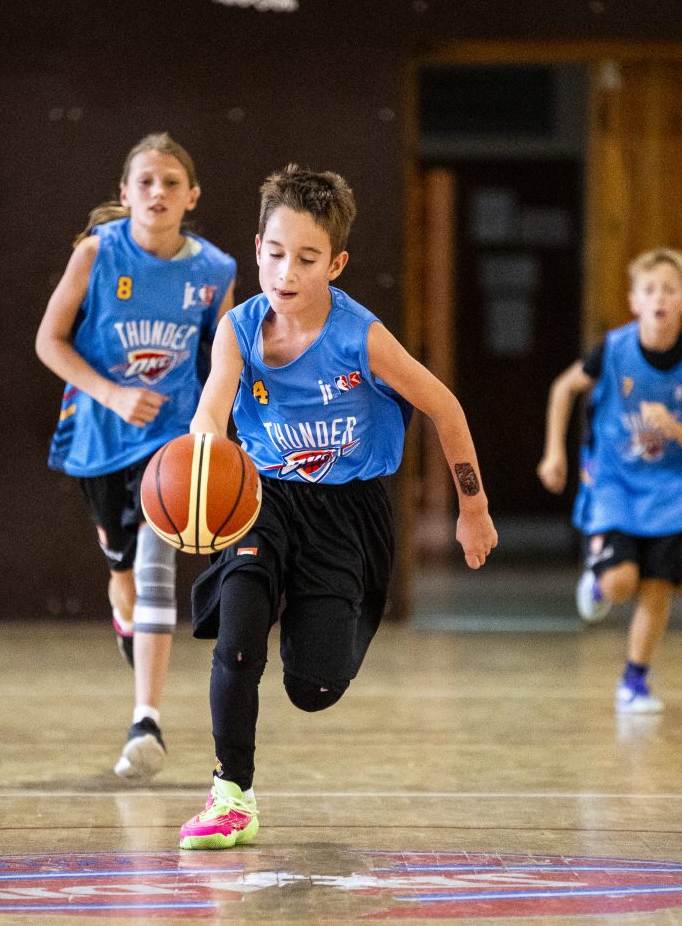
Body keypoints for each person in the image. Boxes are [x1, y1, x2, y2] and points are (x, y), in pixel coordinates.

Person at [177, 163, 497, 850]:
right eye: (274, 253)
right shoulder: (238, 329)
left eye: (306, 258)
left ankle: (306, 604)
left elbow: (445, 407)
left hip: (349, 512)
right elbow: (211, 408)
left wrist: (472, 507)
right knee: (238, 640)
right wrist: (201, 466)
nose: (285, 272)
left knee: (313, 688)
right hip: (264, 499)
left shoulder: (362, 337)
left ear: (337, 264)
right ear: (256, 246)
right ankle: (231, 795)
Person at [35, 133, 236, 780]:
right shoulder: (97, 253)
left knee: (155, 568)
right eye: (145, 181)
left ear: (192, 195)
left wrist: (218, 430)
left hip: (171, 441)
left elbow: (224, 360)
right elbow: (49, 341)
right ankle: (128, 624)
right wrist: (113, 394)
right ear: (125, 193)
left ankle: (145, 721)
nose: (158, 192)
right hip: (101, 436)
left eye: (171, 182)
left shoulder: (215, 270)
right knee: (122, 578)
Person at [537, 248, 682, 714]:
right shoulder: (614, 350)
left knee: (656, 588)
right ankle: (598, 585)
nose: (659, 297)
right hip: (614, 482)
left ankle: (634, 682)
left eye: (669, 289)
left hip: (671, 490)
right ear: (634, 301)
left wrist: (674, 427)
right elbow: (563, 388)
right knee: (622, 583)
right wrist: (555, 451)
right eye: (649, 289)